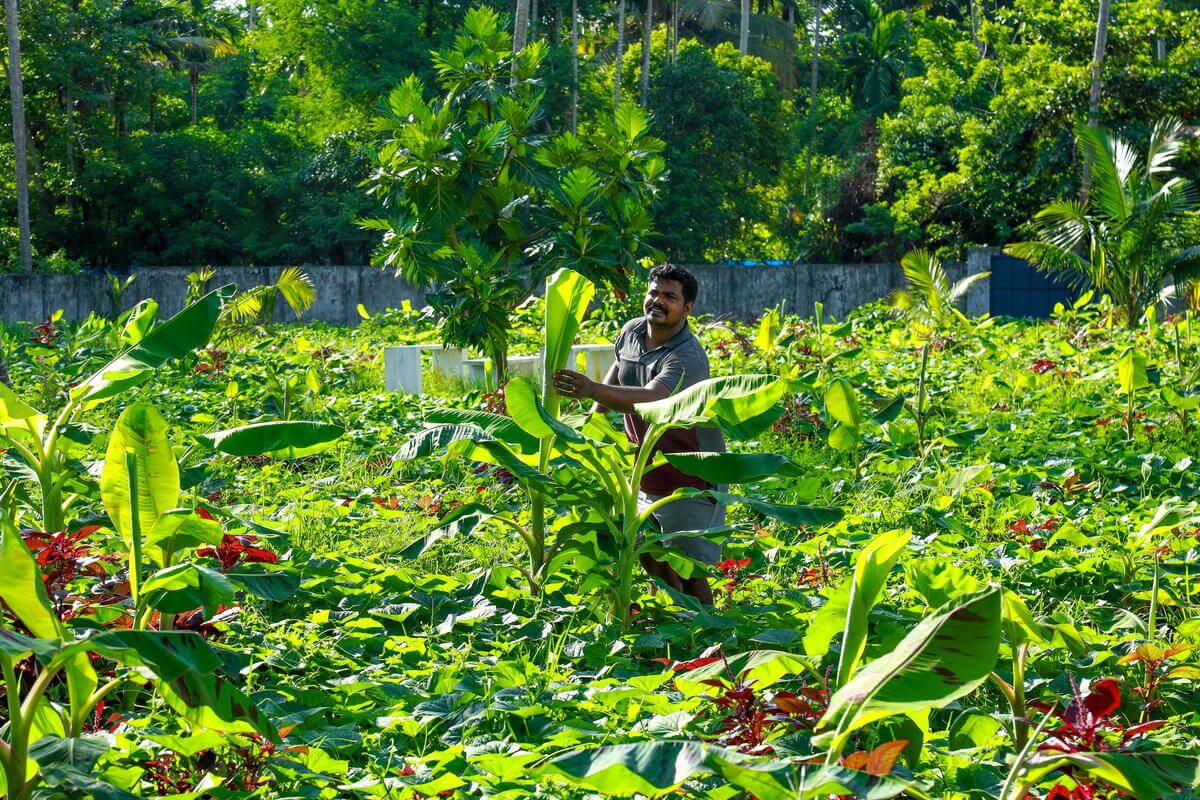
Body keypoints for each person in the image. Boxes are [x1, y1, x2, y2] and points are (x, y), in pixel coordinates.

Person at [552, 264, 725, 604]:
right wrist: (593, 421)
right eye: (653, 293)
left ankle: (707, 630)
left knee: (690, 568)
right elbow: (620, 368)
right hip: (646, 469)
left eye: (669, 297)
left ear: (687, 308)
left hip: (689, 474)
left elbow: (652, 399)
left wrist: (590, 388)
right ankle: (675, 620)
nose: (658, 301)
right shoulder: (632, 331)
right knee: (645, 550)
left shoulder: (687, 357)